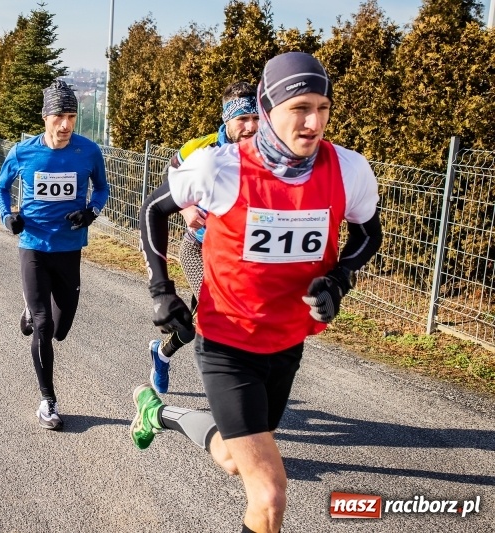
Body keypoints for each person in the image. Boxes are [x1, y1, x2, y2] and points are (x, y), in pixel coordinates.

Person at [131, 52, 383, 533]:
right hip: (226, 342)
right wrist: (160, 289)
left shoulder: (348, 170)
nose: (314, 122)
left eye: (324, 108)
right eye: (300, 108)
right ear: (268, 109)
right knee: (268, 494)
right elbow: (152, 209)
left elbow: (370, 235)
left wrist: (339, 278)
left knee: (232, 457)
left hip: (287, 342)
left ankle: (158, 411)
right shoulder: (218, 168)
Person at [0, 79, 109, 430]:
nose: (65, 124)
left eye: (71, 116)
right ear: (45, 118)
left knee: (61, 328)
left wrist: (91, 212)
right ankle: (48, 401)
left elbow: (101, 188)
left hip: (69, 249)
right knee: (44, 327)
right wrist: (6, 215)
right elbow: (0, 186)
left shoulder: (88, 152)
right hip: (33, 246)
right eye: (59, 116)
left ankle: (32, 307)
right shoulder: (23, 152)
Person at [148, 81, 259, 394]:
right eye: (242, 119)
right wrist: (184, 207)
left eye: (256, 118)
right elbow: (170, 177)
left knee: (193, 326)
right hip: (198, 248)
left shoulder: (268, 152)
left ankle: (161, 353)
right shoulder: (202, 149)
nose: (251, 127)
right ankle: (233, 397)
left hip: (238, 260)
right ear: (226, 119)